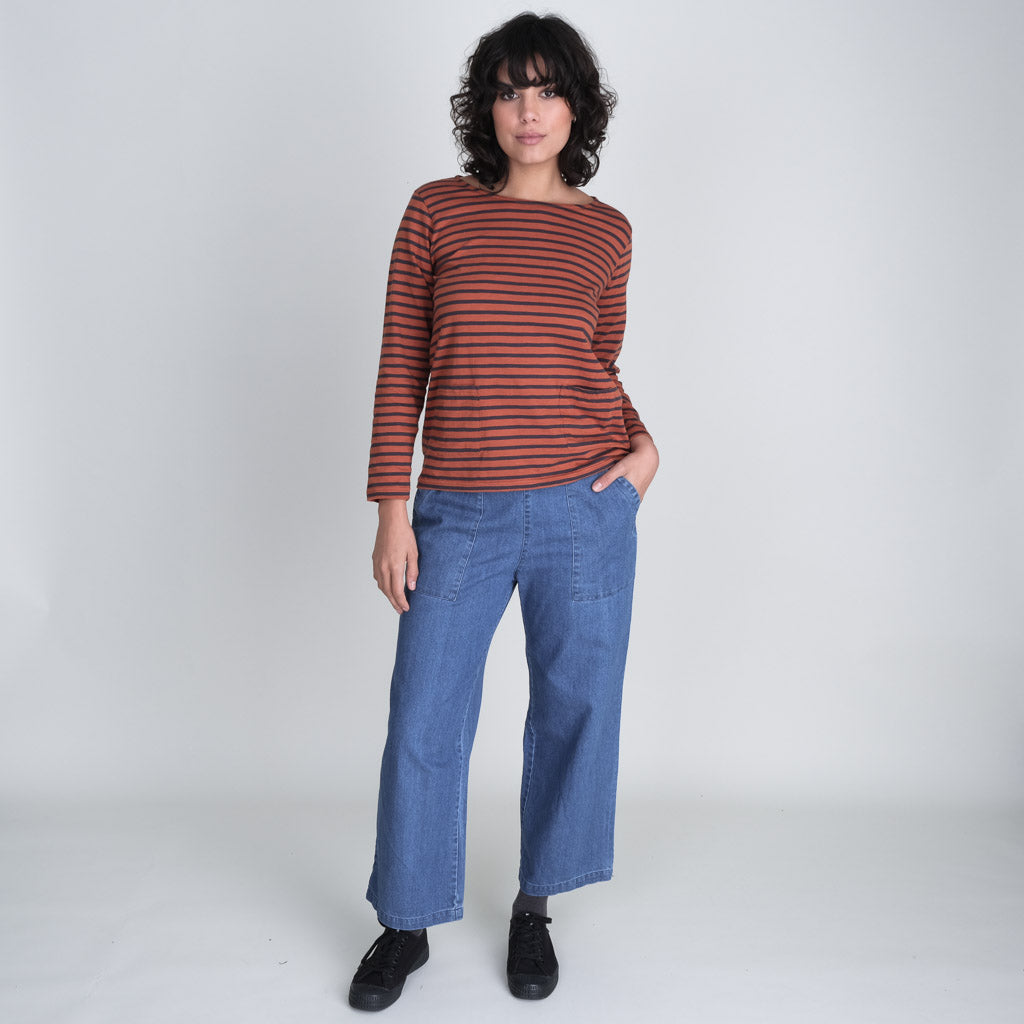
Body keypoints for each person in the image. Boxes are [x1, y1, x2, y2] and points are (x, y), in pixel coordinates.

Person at [348, 11, 659, 1012]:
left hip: (584, 507)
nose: (529, 110)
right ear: (485, 107)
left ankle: (534, 905)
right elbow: (402, 363)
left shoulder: (607, 231)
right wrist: (392, 508)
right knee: (424, 715)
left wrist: (645, 446)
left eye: (548, 89)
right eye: (510, 90)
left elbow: (593, 365)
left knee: (576, 708)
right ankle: (406, 921)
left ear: (578, 107)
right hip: (460, 513)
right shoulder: (437, 211)